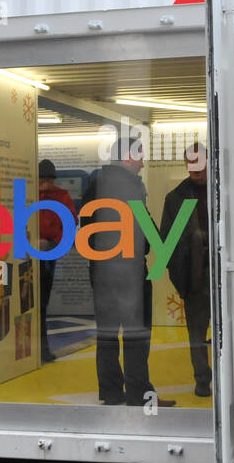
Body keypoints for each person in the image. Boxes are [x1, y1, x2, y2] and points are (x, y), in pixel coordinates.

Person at [82, 139, 175, 408]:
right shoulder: (132, 187)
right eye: (140, 157)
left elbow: (87, 230)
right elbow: (143, 227)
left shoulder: (95, 186)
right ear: (127, 157)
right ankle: (139, 393)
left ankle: (111, 392)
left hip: (102, 272)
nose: (143, 163)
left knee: (108, 333)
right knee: (136, 334)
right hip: (130, 272)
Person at [160, 142, 212, 396]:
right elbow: (166, 244)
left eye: (199, 162)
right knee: (197, 334)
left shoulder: (225, 192)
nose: (196, 168)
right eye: (191, 163)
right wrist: (180, 280)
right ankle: (202, 380)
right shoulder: (175, 198)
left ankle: (230, 377)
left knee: (233, 330)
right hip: (194, 278)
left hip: (227, 276)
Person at [36, 160, 75, 363]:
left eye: (49, 180)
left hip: (49, 255)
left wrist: (53, 245)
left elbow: (69, 224)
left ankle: (42, 350)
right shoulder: (31, 195)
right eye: (43, 180)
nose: (46, 185)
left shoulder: (61, 197)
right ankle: (39, 351)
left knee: (42, 305)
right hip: (29, 254)